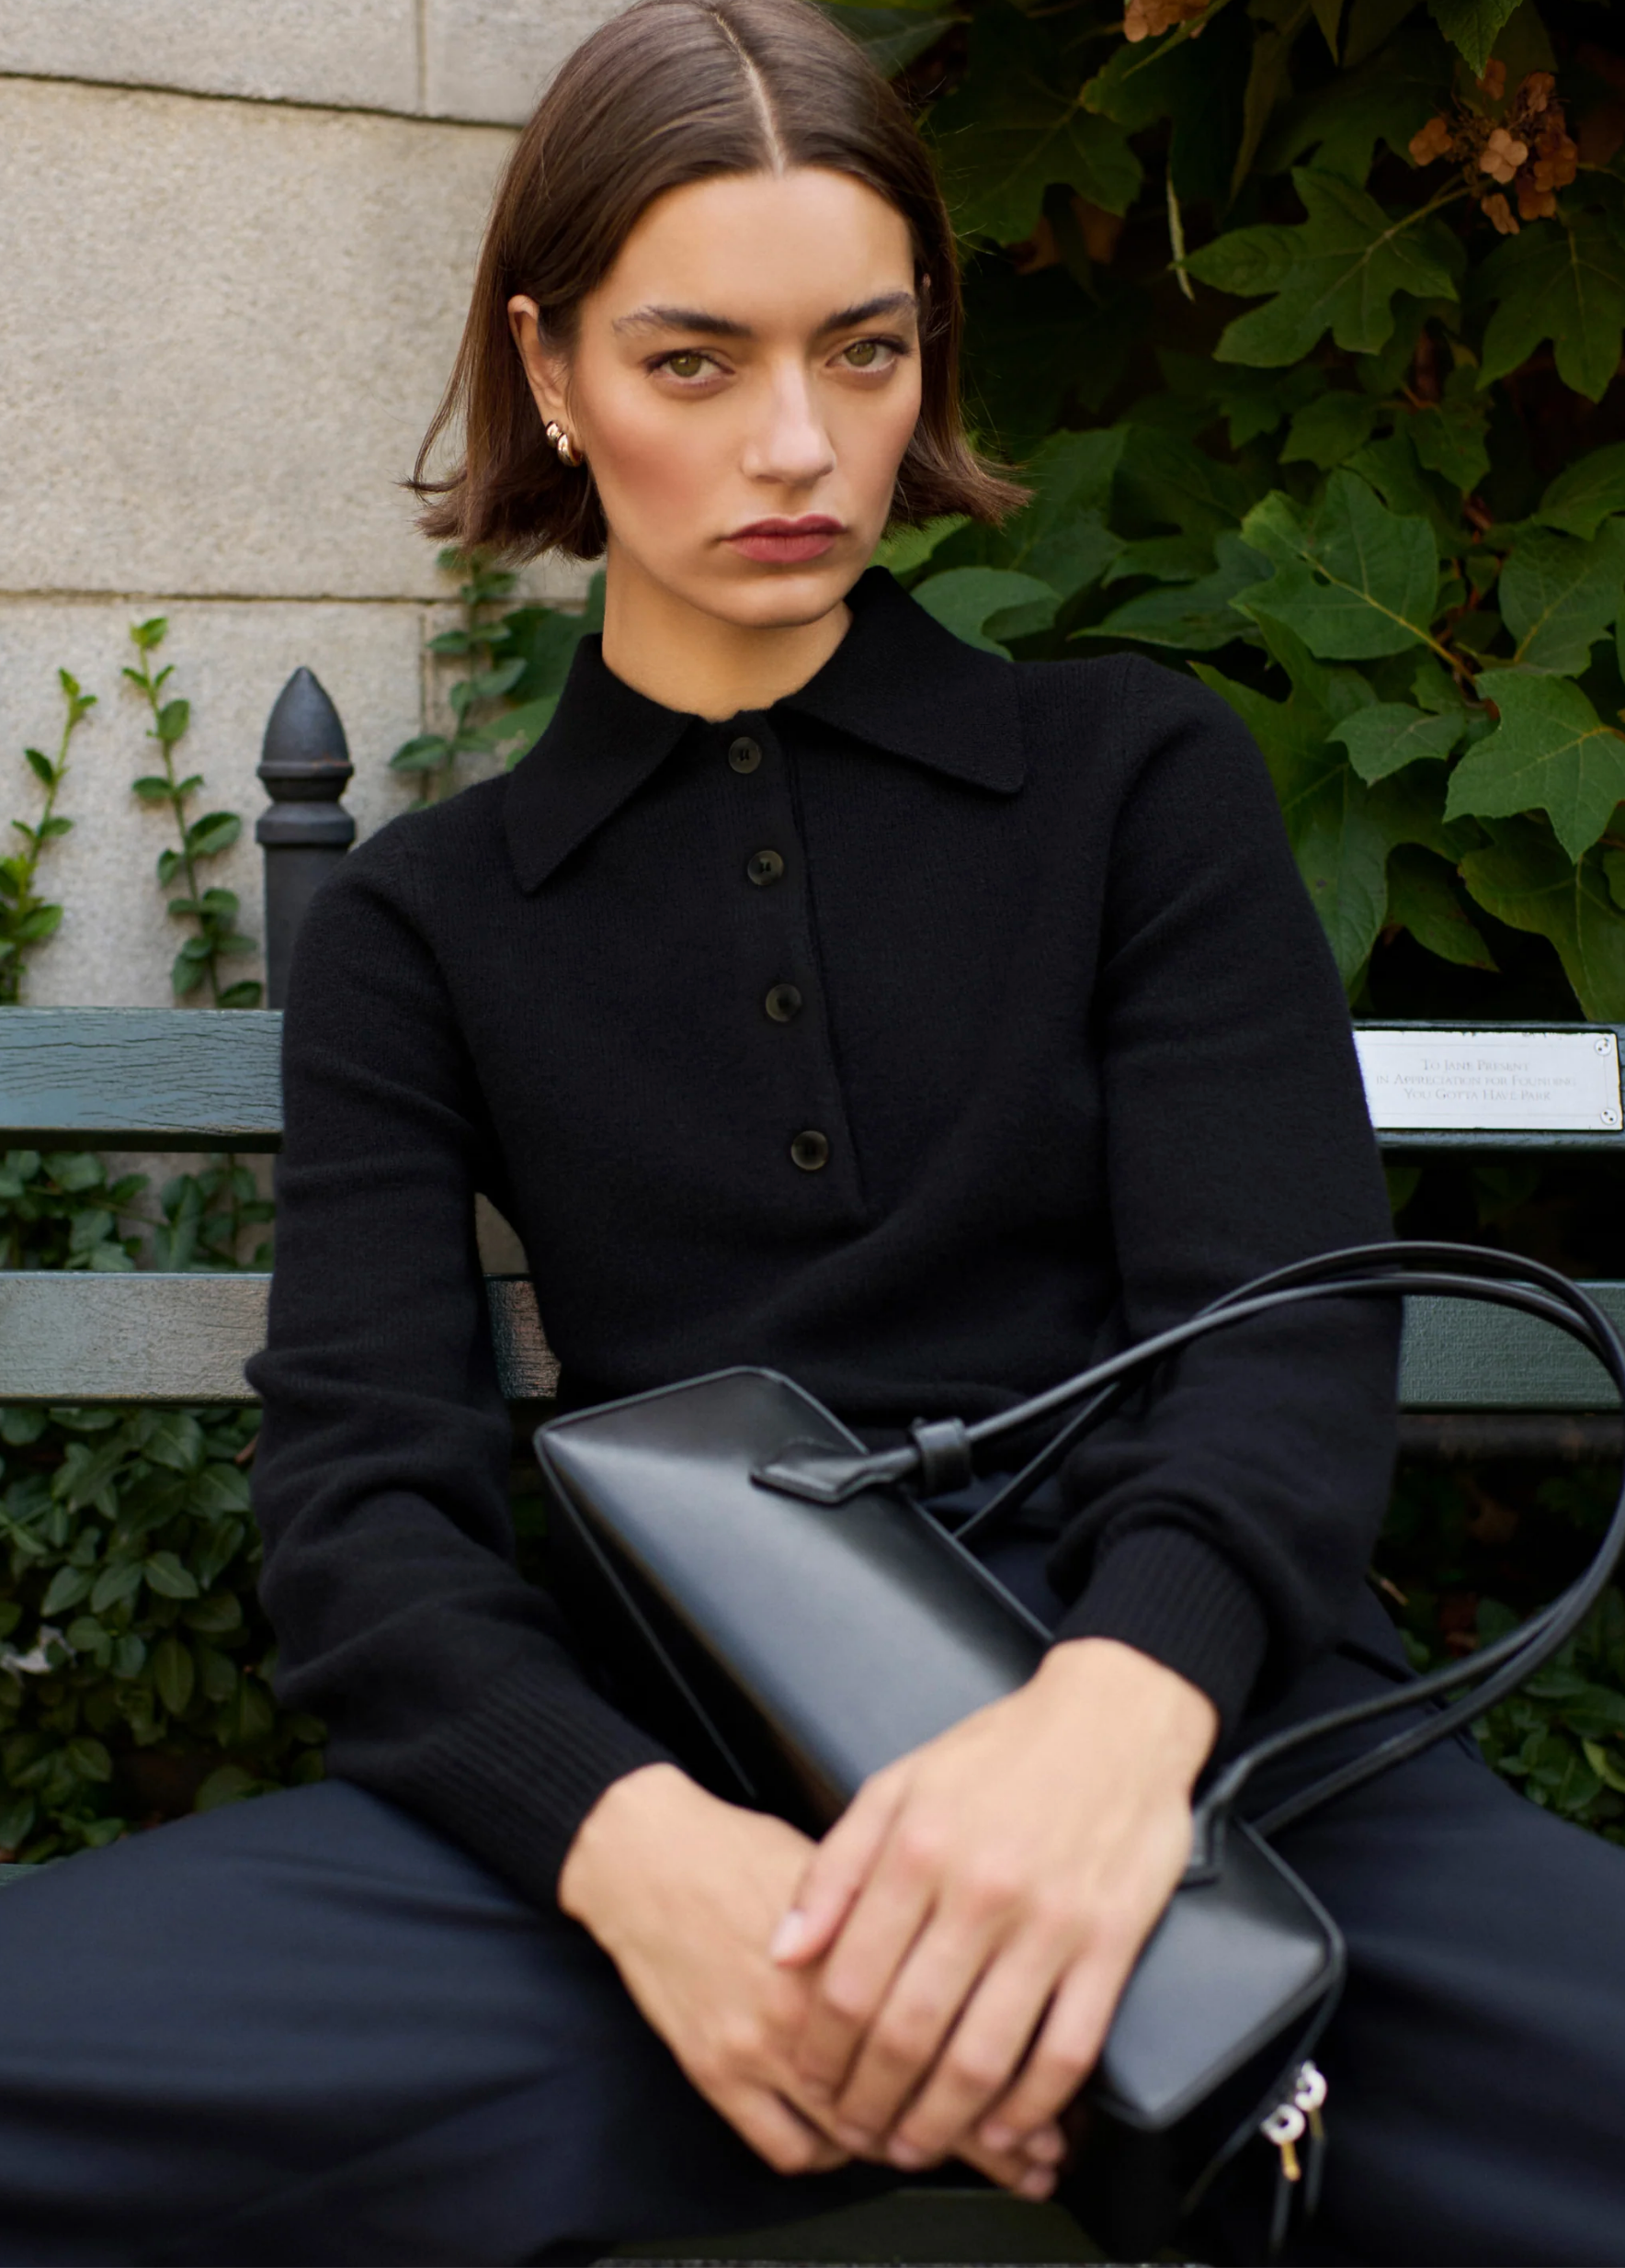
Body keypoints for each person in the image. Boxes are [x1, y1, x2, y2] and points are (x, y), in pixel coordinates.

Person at [0, 2, 1620, 2262]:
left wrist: (1103, 1724)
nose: (799, 443)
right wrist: (643, 1862)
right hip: (692, 1793)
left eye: (860, 351)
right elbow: (363, 1511)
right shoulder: (427, 923)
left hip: (1216, 1761)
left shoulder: (1133, 775)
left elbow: (1272, 1336)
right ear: (548, 366)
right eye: (694, 362)